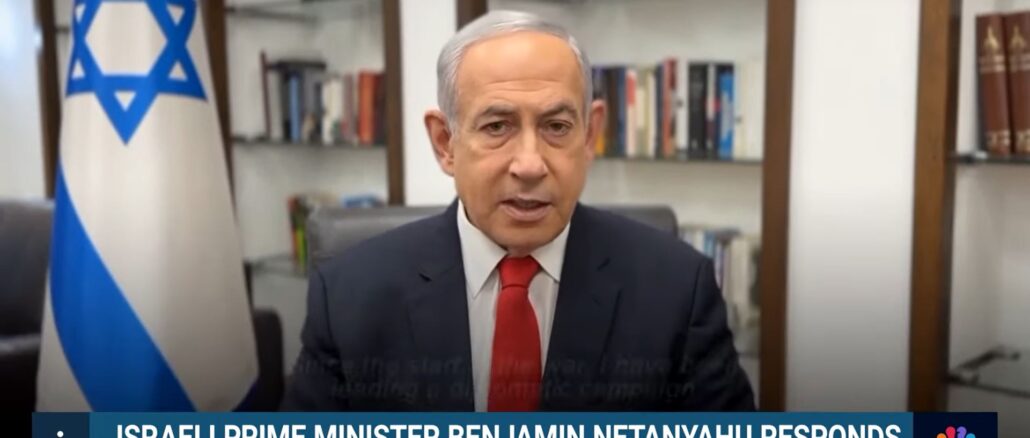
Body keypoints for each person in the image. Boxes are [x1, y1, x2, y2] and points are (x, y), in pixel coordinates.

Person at [282, 10, 755, 412]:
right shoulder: (348, 297)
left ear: (589, 136)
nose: (530, 164)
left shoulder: (678, 291)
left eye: (556, 126)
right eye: (497, 126)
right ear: (445, 143)